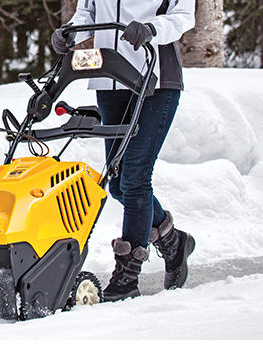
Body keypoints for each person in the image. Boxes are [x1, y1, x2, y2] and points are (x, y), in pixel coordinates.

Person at [51, 0, 196, 302]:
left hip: (155, 79)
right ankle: (171, 241)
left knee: (135, 178)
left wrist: (151, 29)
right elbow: (87, 13)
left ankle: (127, 276)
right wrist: (70, 33)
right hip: (109, 77)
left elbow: (184, 17)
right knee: (118, 182)